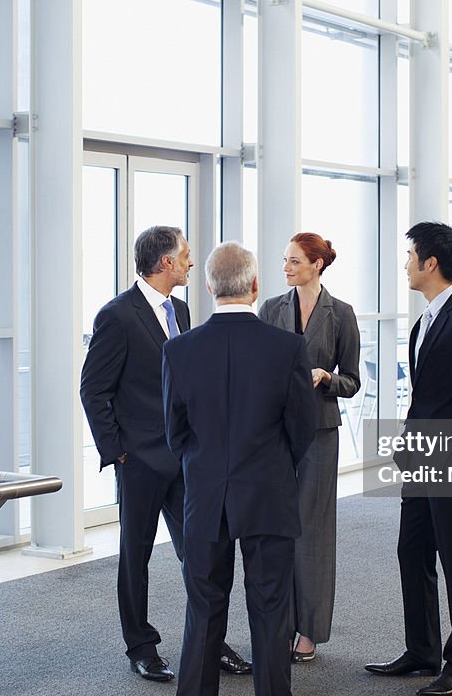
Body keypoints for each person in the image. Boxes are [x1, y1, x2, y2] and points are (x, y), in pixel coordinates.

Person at [79, 226, 250, 682]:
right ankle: (141, 646)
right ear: (165, 263)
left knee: (202, 551)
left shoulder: (182, 309)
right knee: (135, 558)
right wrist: (118, 454)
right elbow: (93, 390)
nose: (192, 262)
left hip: (186, 457)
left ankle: (209, 639)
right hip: (138, 461)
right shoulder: (117, 316)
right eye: (186, 255)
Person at [162, 242, 317, 696]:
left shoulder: (178, 350)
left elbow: (175, 434)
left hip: (206, 498)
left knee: (204, 609)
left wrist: (206, 467)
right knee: (271, 609)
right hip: (268, 493)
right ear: (254, 286)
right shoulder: (287, 348)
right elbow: (302, 428)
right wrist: (271, 466)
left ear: (209, 286)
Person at [364, 222, 452, 695]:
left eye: (409, 256)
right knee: (413, 550)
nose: (404, 264)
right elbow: (425, 396)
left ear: (430, 264)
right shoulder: (426, 319)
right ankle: (422, 651)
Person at [258, 232, 360, 662]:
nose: (286, 268)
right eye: (285, 260)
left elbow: (353, 381)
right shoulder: (270, 309)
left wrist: (327, 378)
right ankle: (278, 623)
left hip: (319, 431)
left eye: (295, 261)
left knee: (313, 532)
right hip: (275, 434)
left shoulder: (341, 314)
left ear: (317, 264)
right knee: (277, 530)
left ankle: (310, 630)